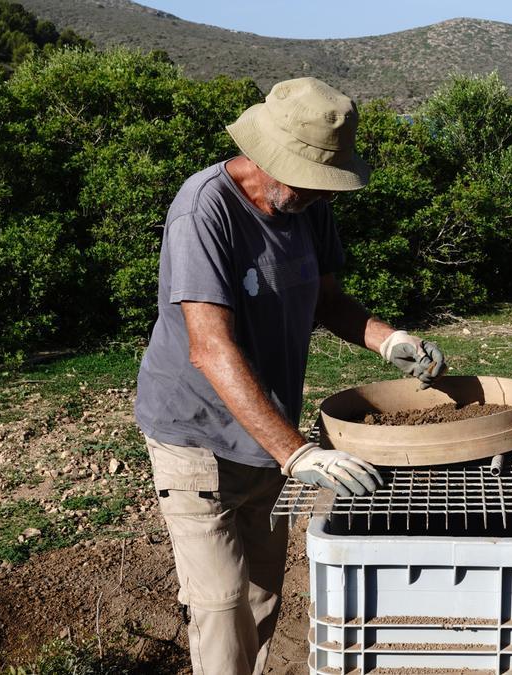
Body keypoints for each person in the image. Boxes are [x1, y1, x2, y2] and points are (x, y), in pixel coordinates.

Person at [133, 76, 447, 675]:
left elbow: (329, 301)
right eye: (308, 179)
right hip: (196, 437)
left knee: (260, 595)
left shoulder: (307, 207)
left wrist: (391, 340)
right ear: (265, 155)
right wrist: (297, 453)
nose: (319, 195)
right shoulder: (205, 210)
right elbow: (210, 348)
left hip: (267, 431)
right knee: (222, 606)